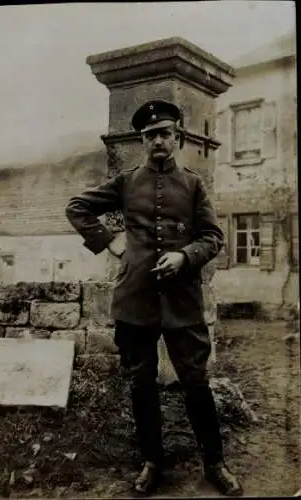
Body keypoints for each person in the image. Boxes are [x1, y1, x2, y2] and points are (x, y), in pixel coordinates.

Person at [65, 100, 243, 497]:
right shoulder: (127, 182)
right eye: (150, 136)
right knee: (141, 385)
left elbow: (213, 237)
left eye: (164, 133)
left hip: (182, 303)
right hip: (135, 301)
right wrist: (109, 242)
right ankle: (151, 461)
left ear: (177, 138)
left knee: (196, 381)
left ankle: (215, 462)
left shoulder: (195, 185)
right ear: (142, 141)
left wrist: (185, 255)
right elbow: (77, 207)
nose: (157, 141)